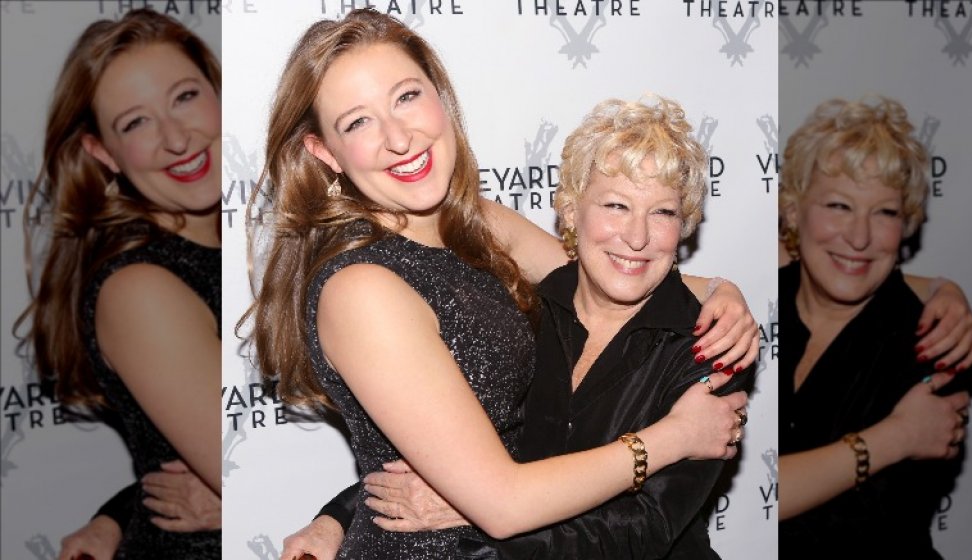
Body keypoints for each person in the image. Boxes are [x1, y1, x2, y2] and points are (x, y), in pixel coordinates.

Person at [245, 10, 756, 559]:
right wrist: (672, 438)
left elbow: (603, 265)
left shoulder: (474, 222)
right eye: (357, 122)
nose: (398, 137)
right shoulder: (363, 289)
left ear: (439, 95)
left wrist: (719, 289)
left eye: (406, 97)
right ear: (325, 152)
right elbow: (500, 501)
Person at [15, 9, 222, 559]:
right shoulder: (141, 289)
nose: (177, 138)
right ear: (103, 153)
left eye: (185, 97)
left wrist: (118, 512)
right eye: (135, 123)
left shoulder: (264, 238)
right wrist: (241, 495)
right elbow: (242, 465)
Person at [776, 96, 972, 559]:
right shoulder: (748, 309)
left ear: (906, 225)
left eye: (885, 213)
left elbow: (853, 528)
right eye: (839, 205)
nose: (861, 237)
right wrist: (892, 438)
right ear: (792, 211)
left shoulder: (936, 339)